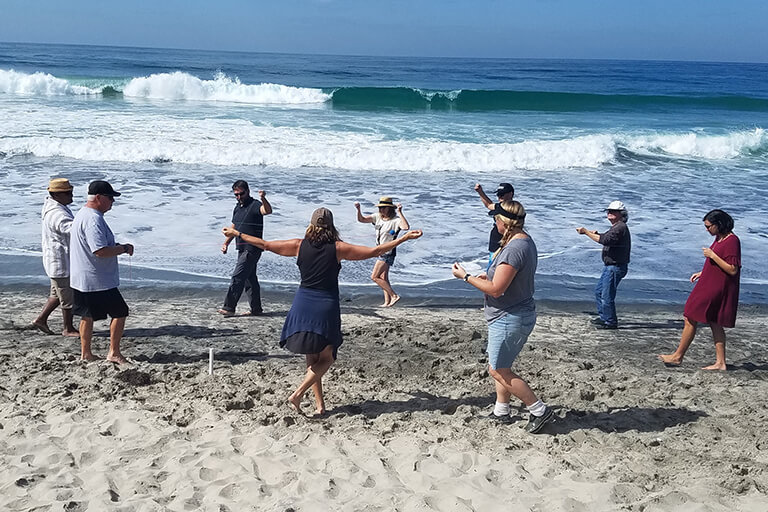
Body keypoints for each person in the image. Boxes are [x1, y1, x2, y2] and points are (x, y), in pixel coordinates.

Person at [223, 208, 423, 416]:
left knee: (312, 358)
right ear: (331, 226)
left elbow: (264, 244)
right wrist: (404, 238)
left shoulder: (298, 245)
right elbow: (374, 252)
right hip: (325, 305)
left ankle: (320, 407)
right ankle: (298, 393)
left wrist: (237, 234)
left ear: (311, 225)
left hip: (302, 303)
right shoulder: (338, 248)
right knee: (327, 358)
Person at [452, 200, 554, 434]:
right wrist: (486, 278)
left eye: (495, 219)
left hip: (510, 316)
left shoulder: (514, 249)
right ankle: (501, 409)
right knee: (500, 365)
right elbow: (504, 281)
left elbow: (497, 289)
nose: (494, 223)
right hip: (514, 312)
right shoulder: (523, 241)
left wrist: (465, 277)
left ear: (504, 222)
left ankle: (539, 409)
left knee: (498, 370)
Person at [659, 210, 741, 371]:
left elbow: (732, 269)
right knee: (714, 321)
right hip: (709, 281)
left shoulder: (732, 241)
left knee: (690, 315)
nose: (707, 230)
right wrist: (703, 272)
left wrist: (712, 255)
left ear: (719, 225)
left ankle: (677, 357)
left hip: (717, 287)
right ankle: (721, 363)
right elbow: (720, 264)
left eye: (709, 226)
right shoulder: (720, 238)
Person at [70, 180, 134, 364]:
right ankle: (113, 352)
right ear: (98, 198)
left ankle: (86, 353)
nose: (112, 202)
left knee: (87, 315)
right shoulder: (93, 219)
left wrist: (116, 247)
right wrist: (122, 248)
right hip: (97, 279)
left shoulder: (83, 214)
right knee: (120, 312)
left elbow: (98, 247)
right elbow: (99, 250)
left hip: (84, 277)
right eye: (110, 198)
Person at [33, 178, 80, 337]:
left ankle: (41, 319)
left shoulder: (53, 205)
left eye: (71, 191)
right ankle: (68, 328)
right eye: (68, 193)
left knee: (56, 294)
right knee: (68, 297)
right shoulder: (57, 213)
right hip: (60, 262)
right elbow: (71, 229)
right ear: (57, 195)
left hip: (56, 259)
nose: (71, 196)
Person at [219, 180, 272, 316]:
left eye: (241, 194)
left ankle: (229, 307)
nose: (239, 197)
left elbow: (267, 211)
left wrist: (263, 198)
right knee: (250, 279)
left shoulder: (255, 205)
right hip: (241, 248)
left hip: (253, 248)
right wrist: (226, 243)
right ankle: (256, 309)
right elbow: (234, 228)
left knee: (238, 276)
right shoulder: (237, 207)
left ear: (248, 191)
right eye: (236, 194)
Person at [576, 200, 631, 329]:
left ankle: (610, 322)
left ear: (620, 214)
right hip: (611, 266)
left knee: (606, 296)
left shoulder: (620, 227)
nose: (609, 213)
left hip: (615, 267)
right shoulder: (617, 227)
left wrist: (586, 232)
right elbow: (607, 238)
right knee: (600, 292)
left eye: (613, 211)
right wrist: (594, 234)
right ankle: (604, 317)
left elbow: (605, 240)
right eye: (608, 211)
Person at [354, 197, 410, 307]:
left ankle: (394, 296)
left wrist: (400, 212)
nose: (381, 210)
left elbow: (405, 227)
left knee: (374, 277)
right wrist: (358, 210)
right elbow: (362, 219)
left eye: (384, 208)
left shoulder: (396, 220)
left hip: (388, 252)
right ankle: (387, 302)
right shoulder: (377, 217)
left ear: (390, 209)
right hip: (380, 251)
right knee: (383, 277)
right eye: (380, 208)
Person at [474, 182, 515, 265]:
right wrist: (480, 192)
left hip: (505, 244)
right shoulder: (499, 206)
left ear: (511, 194)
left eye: (502, 194)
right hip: (495, 244)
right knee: (492, 270)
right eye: (498, 194)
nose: (500, 197)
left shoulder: (514, 209)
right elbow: (489, 204)